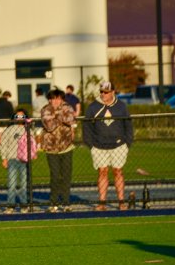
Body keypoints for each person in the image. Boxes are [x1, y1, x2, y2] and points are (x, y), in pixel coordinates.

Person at [83, 80, 134, 211]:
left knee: (118, 172)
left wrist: (127, 143)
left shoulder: (121, 106)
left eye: (106, 92)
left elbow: (128, 125)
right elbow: (86, 127)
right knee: (102, 172)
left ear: (112, 92)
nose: (103, 94)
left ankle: (121, 202)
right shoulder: (93, 107)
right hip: (99, 146)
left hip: (119, 145)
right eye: (101, 92)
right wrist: (91, 144)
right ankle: (102, 203)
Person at [41, 89, 76, 212]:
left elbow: (71, 119)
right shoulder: (45, 109)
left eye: (58, 98)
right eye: (53, 98)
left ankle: (66, 203)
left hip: (66, 147)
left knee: (66, 176)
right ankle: (54, 203)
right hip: (51, 149)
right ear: (49, 99)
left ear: (62, 99)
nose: (56, 101)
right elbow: (49, 126)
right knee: (55, 176)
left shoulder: (68, 107)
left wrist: (56, 115)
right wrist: (62, 116)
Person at [0, 109, 30, 213]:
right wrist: (4, 158)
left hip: (24, 160)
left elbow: (32, 143)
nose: (20, 118)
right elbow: (4, 144)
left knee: (24, 184)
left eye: (22, 116)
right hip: (12, 159)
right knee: (12, 183)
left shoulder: (27, 129)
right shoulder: (9, 129)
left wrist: (32, 154)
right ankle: (11, 206)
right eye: (17, 116)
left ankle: (24, 205)